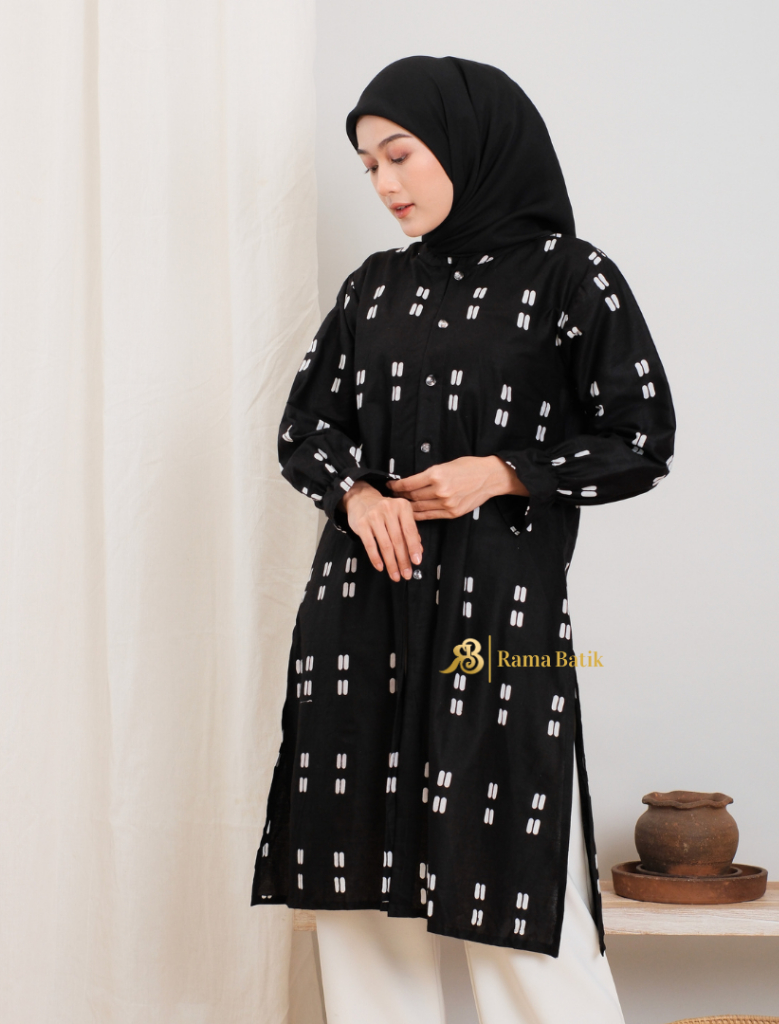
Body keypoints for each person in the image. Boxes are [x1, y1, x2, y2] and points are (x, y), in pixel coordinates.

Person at [252, 55, 676, 1024]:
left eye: (399, 154)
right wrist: (356, 494)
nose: (384, 184)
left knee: (513, 883)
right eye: (368, 166)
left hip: (497, 622)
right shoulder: (374, 287)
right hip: (360, 617)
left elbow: (641, 438)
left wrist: (503, 471)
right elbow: (304, 427)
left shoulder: (571, 275)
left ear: (469, 143)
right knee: (363, 907)